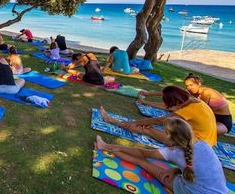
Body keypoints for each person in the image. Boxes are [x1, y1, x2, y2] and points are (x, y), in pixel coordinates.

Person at [95, 118, 228, 194]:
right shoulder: (203, 144)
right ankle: (107, 146)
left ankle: (106, 147)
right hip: (220, 191)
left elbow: (142, 153)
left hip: (193, 191)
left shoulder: (173, 153)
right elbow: (201, 167)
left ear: (169, 136)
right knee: (155, 165)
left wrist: (115, 146)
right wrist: (175, 170)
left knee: (143, 162)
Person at [101, 85, 217, 146]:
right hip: (206, 141)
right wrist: (148, 94)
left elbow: (158, 121)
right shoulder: (194, 100)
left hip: (196, 145)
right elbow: (169, 92)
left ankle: (111, 120)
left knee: (148, 129)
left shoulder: (188, 109)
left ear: (175, 101)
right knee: (151, 126)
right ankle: (114, 121)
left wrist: (133, 122)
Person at [139, 73, 232, 135]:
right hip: (209, 118)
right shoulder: (191, 93)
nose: (189, 88)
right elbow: (170, 92)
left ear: (198, 83)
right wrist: (147, 94)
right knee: (178, 114)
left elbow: (202, 112)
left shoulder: (206, 93)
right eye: (187, 86)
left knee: (190, 130)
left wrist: (180, 108)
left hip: (223, 122)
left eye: (191, 85)